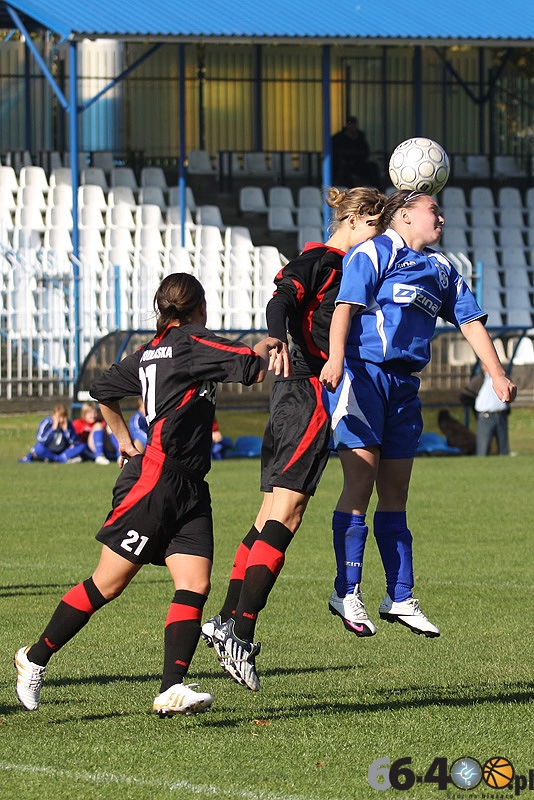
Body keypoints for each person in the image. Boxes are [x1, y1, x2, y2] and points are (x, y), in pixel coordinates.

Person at [14, 273, 281, 717]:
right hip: (155, 481)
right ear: (199, 307)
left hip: (190, 485)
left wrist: (123, 439)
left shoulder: (149, 350)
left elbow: (102, 390)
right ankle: (33, 658)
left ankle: (170, 688)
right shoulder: (192, 341)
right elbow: (250, 367)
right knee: (108, 584)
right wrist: (273, 342)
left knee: (194, 584)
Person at [201, 185, 386, 691]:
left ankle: (224, 620)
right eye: (374, 225)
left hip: (299, 395)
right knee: (289, 512)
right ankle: (241, 629)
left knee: (268, 515)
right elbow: (281, 299)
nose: (377, 236)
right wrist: (281, 338)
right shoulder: (323, 260)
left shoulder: (347, 266)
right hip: (303, 393)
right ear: (352, 221)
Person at [319, 189, 517, 640]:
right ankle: (346, 591)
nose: (441, 219)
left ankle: (400, 596)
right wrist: (334, 359)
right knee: (361, 480)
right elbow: (345, 308)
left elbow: (470, 321)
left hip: (405, 386)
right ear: (405, 215)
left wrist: (497, 373)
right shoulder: (372, 252)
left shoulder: (443, 267)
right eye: (434, 211)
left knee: (397, 491)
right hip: (362, 376)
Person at [18, 405, 85, 464]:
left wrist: (66, 431)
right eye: (58, 417)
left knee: (82, 446)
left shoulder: (68, 424)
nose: (61, 420)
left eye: (63, 417)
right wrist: (53, 429)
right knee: (38, 448)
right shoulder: (47, 423)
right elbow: (41, 440)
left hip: (62, 451)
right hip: (48, 450)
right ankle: (58, 459)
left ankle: (57, 459)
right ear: (53, 416)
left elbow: (75, 442)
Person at [332, 117, 382, 189]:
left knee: (373, 167)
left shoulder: (360, 137)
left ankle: (377, 190)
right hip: (345, 164)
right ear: (347, 125)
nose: (352, 126)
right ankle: (351, 191)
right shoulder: (339, 138)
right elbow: (336, 152)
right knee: (345, 171)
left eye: (354, 124)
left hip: (359, 163)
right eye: (350, 124)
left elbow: (365, 150)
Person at [474, 363, 510, 456]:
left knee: (503, 448)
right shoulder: (479, 379)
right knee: (483, 448)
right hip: (486, 417)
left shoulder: (505, 379)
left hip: (501, 416)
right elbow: (467, 395)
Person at [73, 401, 120, 465]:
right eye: (90, 413)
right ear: (84, 413)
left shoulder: (101, 421)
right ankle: (99, 456)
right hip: (87, 450)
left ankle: (120, 454)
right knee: (98, 426)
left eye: (95, 412)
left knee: (109, 426)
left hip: (105, 448)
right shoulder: (78, 423)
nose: (93, 415)